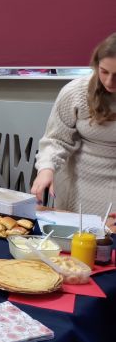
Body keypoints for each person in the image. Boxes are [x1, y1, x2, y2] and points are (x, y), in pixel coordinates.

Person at [31, 33, 116, 220]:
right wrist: (46, 168)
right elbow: (56, 140)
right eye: (104, 72)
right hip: (77, 185)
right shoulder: (76, 92)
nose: (109, 82)